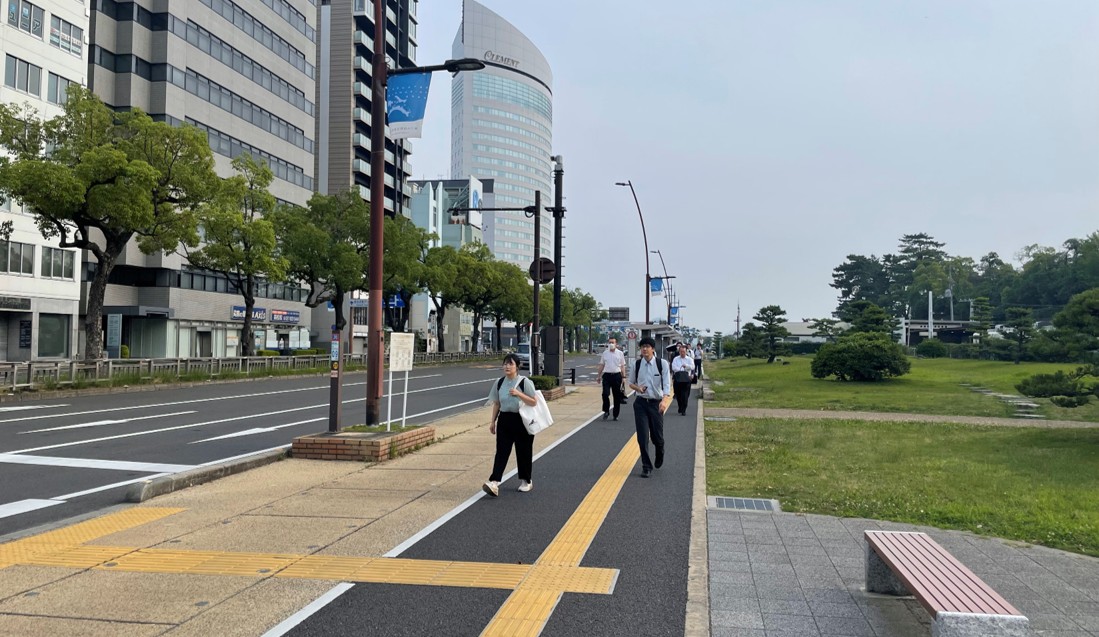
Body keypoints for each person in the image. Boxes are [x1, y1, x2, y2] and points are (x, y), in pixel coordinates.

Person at [483, 353, 538, 497]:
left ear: (517, 366)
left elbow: (534, 401)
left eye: (510, 364)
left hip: (522, 420)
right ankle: (494, 482)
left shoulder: (525, 382)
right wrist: (492, 421)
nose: (507, 366)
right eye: (505, 364)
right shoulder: (499, 382)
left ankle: (526, 481)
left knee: (523, 451)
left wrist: (519, 394)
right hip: (504, 419)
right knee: (501, 451)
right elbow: (496, 403)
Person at [627, 336, 672, 478]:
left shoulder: (662, 364)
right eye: (642, 347)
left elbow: (666, 385)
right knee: (642, 437)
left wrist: (664, 400)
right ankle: (646, 466)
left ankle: (660, 450)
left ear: (653, 349)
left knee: (657, 436)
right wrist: (638, 388)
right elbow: (631, 383)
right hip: (641, 403)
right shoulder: (637, 364)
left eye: (647, 346)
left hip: (656, 403)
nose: (644, 349)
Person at [596, 337, 627, 421]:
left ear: (616, 344)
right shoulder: (605, 353)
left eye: (613, 342)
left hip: (617, 376)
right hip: (607, 376)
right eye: (610, 342)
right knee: (605, 394)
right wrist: (598, 376)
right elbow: (602, 365)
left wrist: (624, 377)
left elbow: (622, 366)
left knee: (616, 396)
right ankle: (606, 410)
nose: (611, 344)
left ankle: (615, 415)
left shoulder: (620, 353)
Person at [671, 342, 695, 416]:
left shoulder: (689, 359)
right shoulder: (676, 359)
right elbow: (674, 367)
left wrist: (686, 366)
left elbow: (692, 367)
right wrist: (681, 370)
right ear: (679, 351)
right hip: (678, 379)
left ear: (686, 351)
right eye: (681, 351)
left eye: (684, 351)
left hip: (686, 379)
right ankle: (680, 406)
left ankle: (684, 409)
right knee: (678, 394)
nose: (682, 353)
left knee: (685, 395)